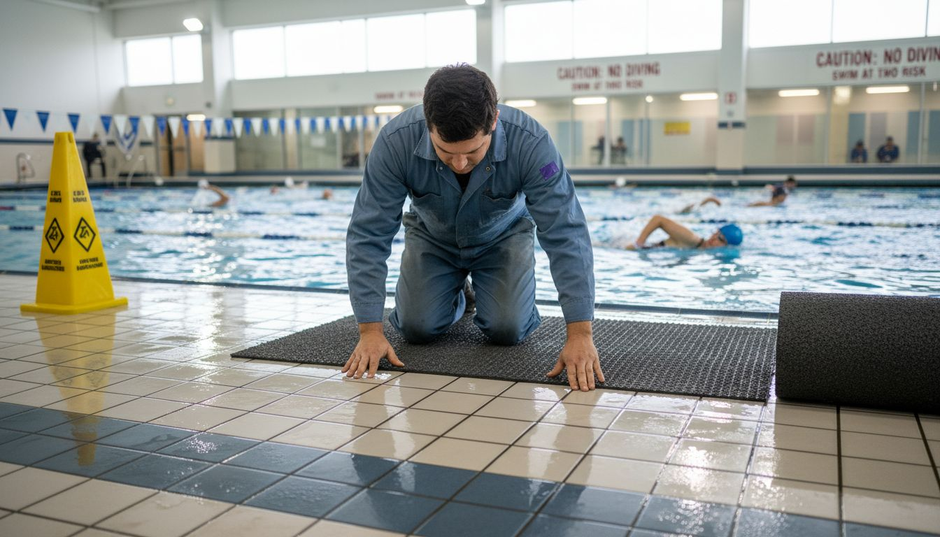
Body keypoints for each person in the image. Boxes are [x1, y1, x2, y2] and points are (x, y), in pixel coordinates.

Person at [345, 64, 601, 391]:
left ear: (493, 121)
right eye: (446, 153)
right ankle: (459, 296)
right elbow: (368, 235)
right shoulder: (395, 143)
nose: (460, 163)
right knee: (416, 328)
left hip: (503, 237)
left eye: (473, 151)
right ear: (428, 124)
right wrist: (370, 332)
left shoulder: (531, 144)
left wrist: (580, 334)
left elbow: (567, 233)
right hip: (432, 238)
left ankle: (491, 289)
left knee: (508, 330)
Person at [624, 215, 743, 250]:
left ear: (726, 246)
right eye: (716, 233)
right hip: (625, 248)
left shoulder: (698, 248)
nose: (713, 238)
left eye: (720, 239)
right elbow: (658, 219)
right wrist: (638, 244)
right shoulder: (692, 239)